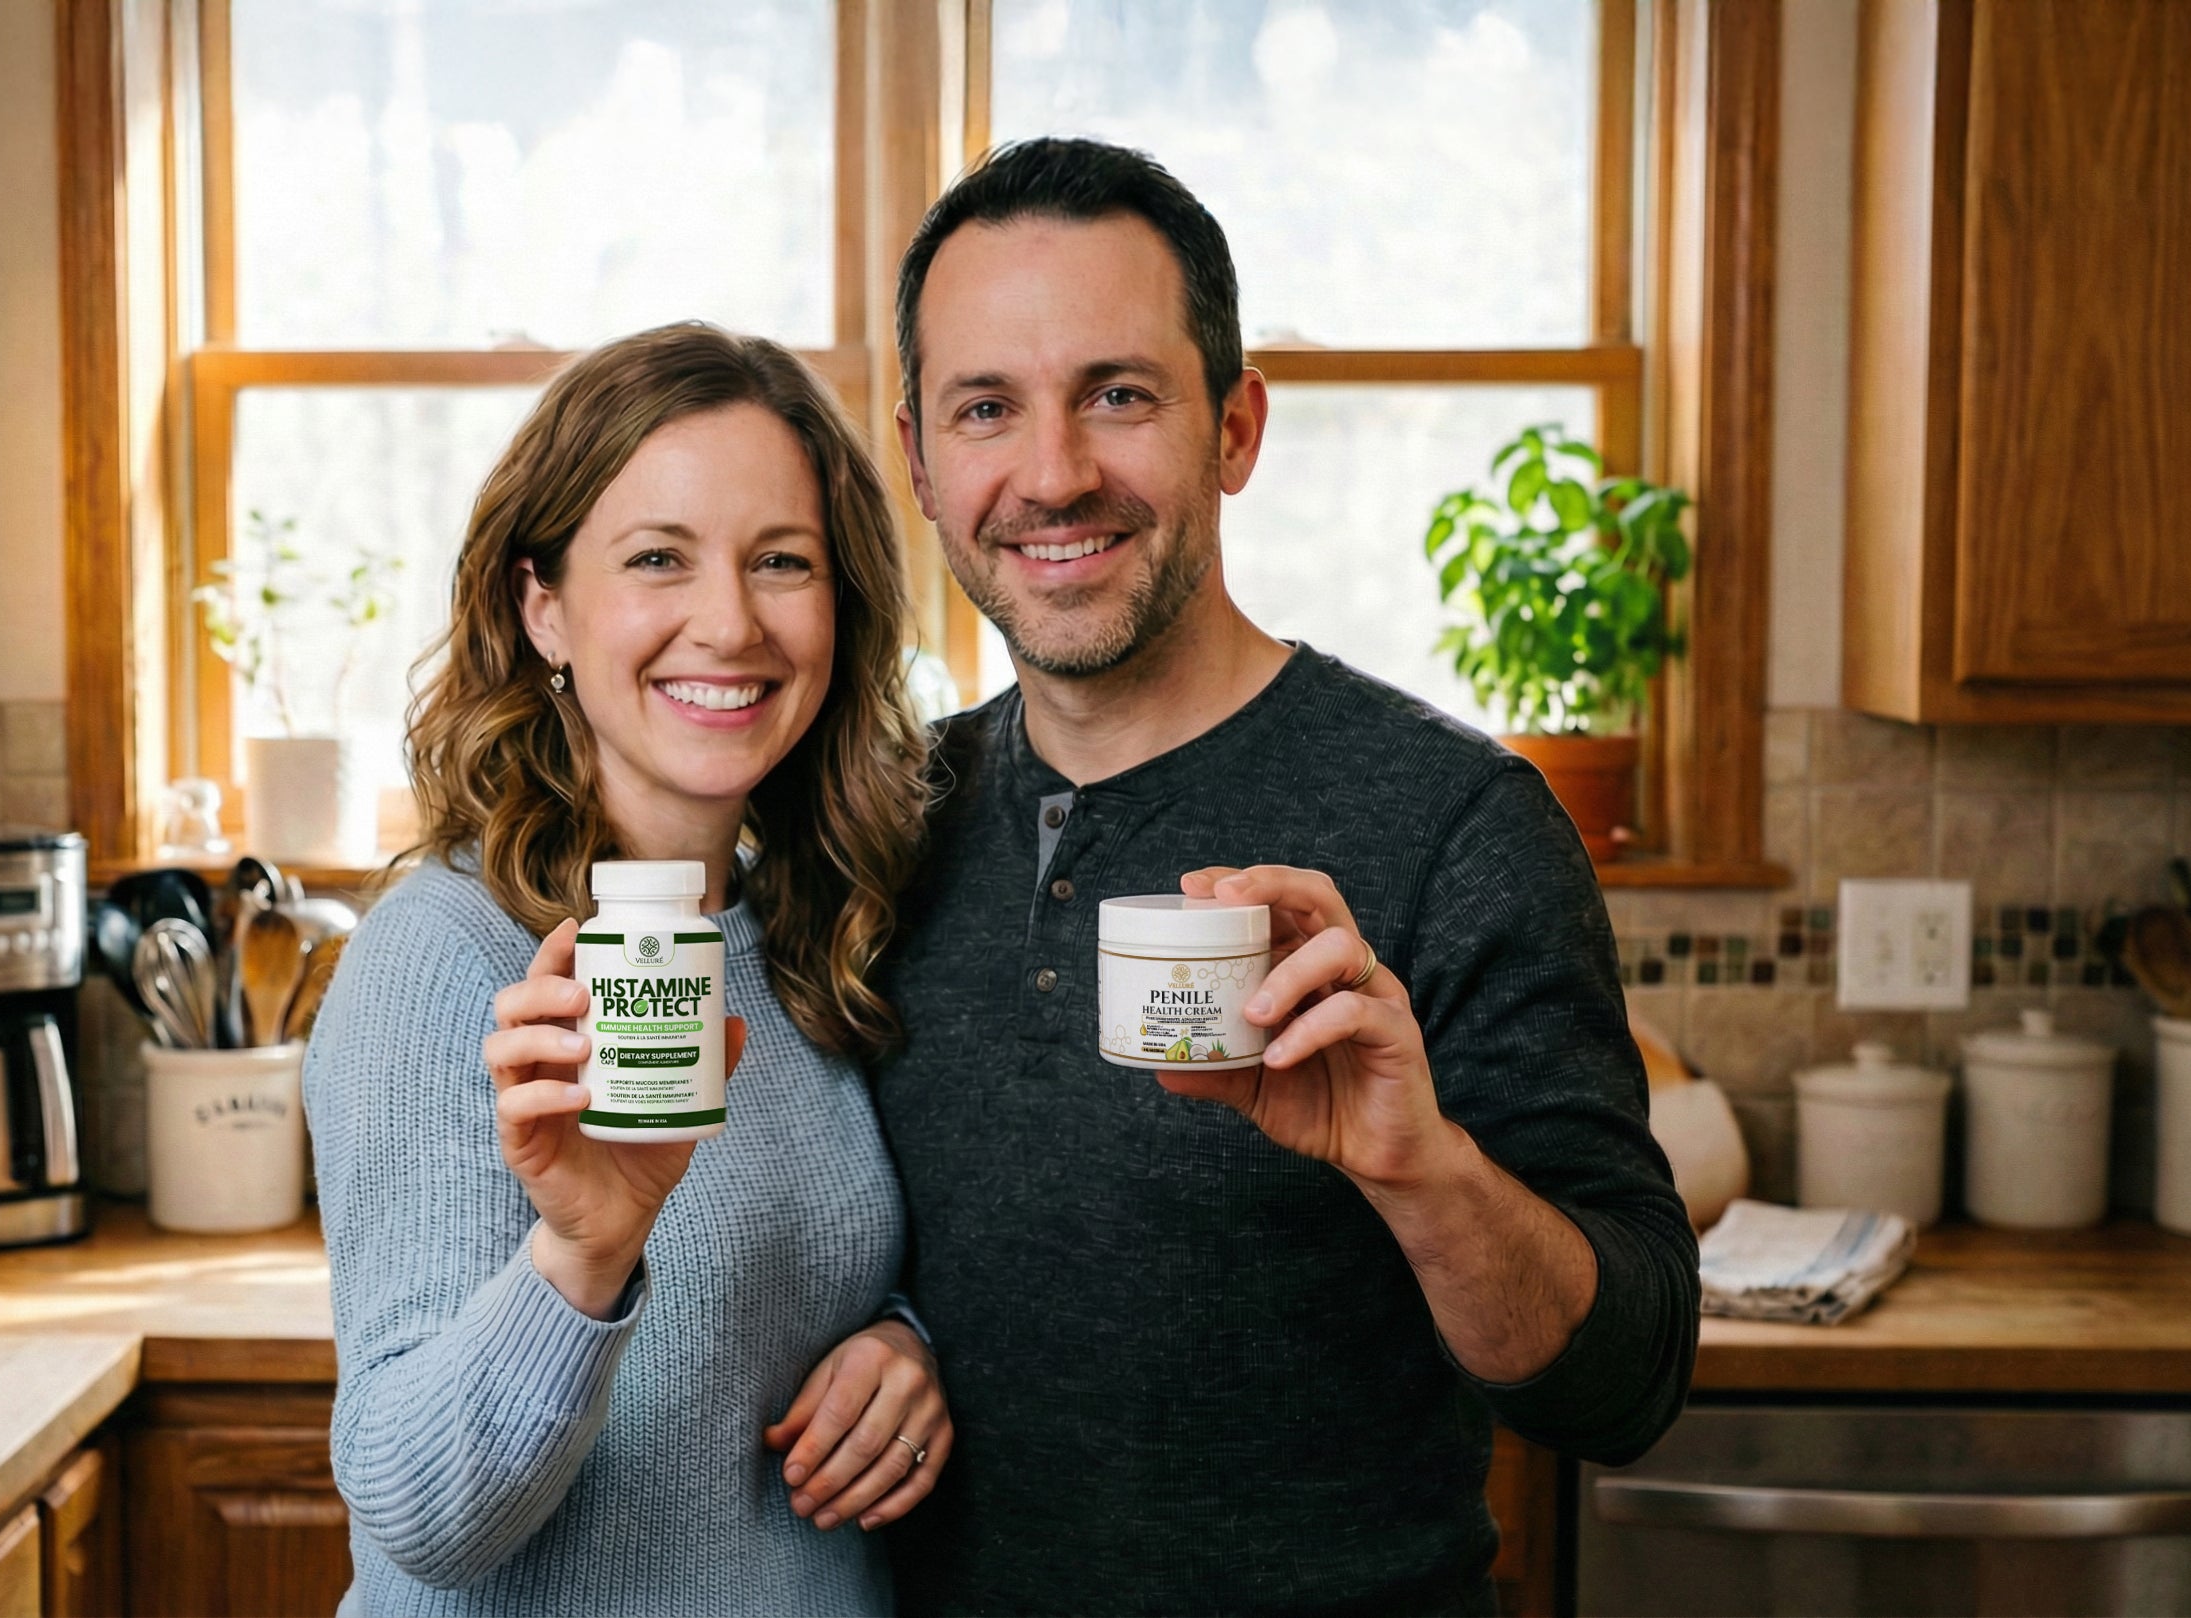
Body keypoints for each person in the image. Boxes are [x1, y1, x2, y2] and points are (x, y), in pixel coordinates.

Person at [868, 137, 1699, 1612]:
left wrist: (1420, 1171)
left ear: (1234, 430)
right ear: (920, 462)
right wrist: (880, 1332)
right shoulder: (877, 826)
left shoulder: (1457, 823)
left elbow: (1621, 1387)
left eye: (1119, 396)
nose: (1052, 475)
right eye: (986, 408)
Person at [303, 322, 948, 1616]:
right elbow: (415, 1513)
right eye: (658, 558)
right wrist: (586, 1251)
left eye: (782, 561)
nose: (730, 622)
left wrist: (902, 1350)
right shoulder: (445, 955)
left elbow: (783, 1294)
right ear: (541, 605)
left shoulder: (809, 928)